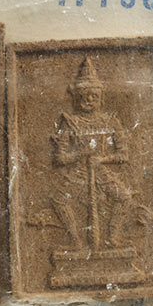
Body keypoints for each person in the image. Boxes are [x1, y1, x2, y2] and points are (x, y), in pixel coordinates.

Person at [51, 56, 132, 253]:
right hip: (78, 174)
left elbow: (123, 154)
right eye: (84, 96)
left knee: (125, 197)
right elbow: (60, 158)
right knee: (58, 200)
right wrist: (79, 154)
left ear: (101, 98)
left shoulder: (111, 122)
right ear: (76, 98)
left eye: (93, 96)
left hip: (102, 173)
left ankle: (112, 237)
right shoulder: (69, 123)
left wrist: (102, 159)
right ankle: (76, 241)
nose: (88, 100)